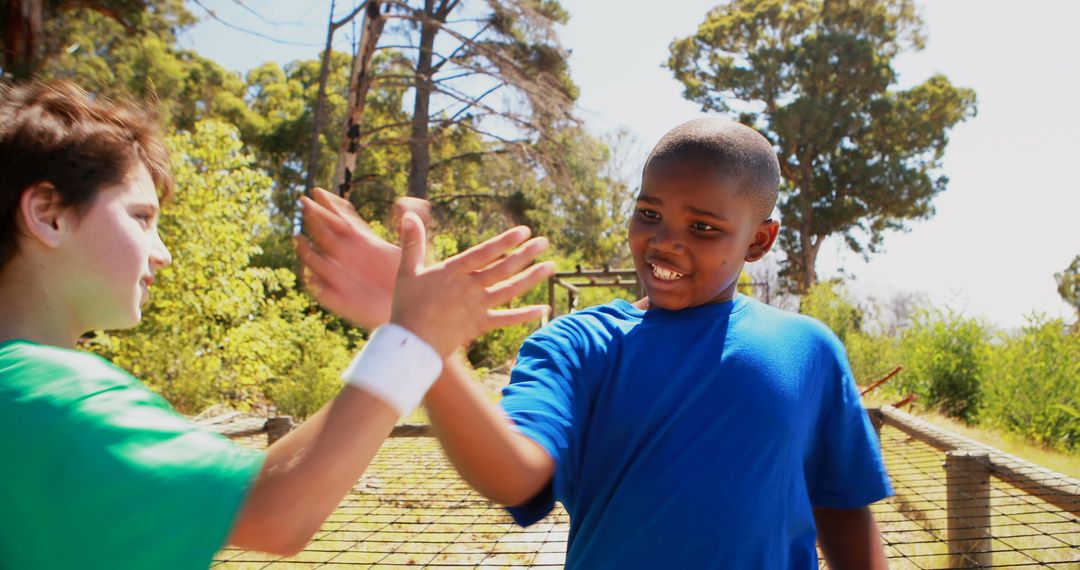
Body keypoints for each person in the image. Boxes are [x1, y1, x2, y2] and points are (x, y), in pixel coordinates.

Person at [0, 79, 554, 570]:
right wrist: (414, 338)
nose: (162, 252)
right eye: (141, 219)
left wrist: (406, 332)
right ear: (47, 214)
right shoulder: (55, 396)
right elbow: (277, 511)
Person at [300, 118, 893, 569]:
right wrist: (425, 344)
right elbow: (518, 478)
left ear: (759, 241)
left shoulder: (808, 350)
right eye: (649, 213)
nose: (665, 242)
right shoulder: (577, 345)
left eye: (704, 227)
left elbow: (841, 510)